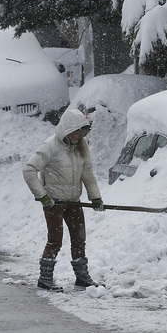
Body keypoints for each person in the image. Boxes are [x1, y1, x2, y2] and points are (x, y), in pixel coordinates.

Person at [22, 109, 104, 291]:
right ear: (67, 129)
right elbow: (29, 170)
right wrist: (42, 196)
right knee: (55, 240)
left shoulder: (81, 146)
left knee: (79, 239)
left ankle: (82, 278)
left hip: (74, 201)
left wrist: (95, 196)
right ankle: (45, 279)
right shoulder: (50, 146)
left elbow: (87, 173)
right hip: (54, 203)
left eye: (82, 132)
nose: (79, 136)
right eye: (76, 132)